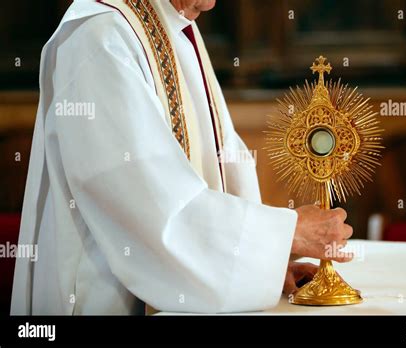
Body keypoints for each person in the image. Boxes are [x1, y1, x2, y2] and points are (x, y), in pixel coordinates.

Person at [11, 0, 353, 315]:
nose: (211, 4)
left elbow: (216, 168)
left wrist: (261, 266)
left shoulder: (175, 24)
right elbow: (147, 207)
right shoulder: (101, 36)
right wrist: (285, 236)